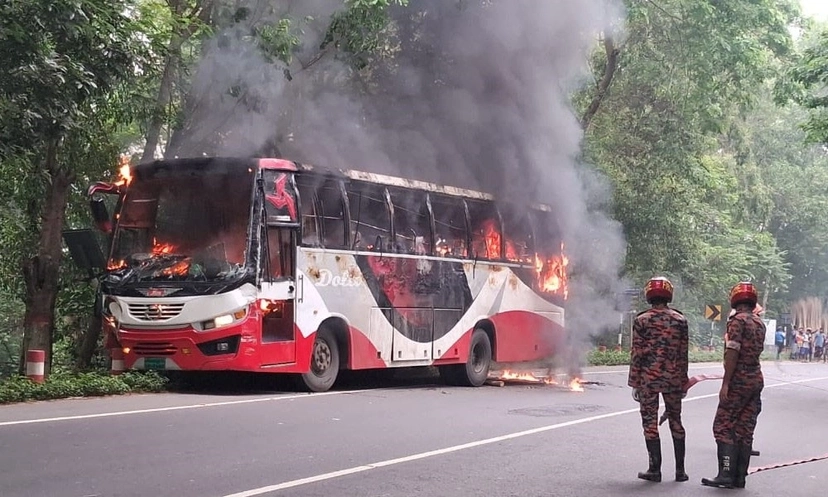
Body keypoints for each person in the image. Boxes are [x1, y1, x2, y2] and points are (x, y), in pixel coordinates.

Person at [701, 282, 765, 489]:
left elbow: (733, 352)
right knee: (745, 428)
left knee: (723, 425)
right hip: (756, 378)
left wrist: (726, 383)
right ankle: (740, 477)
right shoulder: (759, 323)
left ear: (735, 299)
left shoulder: (737, 321)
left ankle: (725, 473)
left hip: (739, 379)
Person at [628, 276, 690, 483]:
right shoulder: (680, 320)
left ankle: (655, 470)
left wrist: (634, 382)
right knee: (676, 421)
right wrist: (684, 380)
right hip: (673, 379)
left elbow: (636, 353)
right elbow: (683, 354)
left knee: (650, 423)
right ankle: (680, 471)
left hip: (648, 379)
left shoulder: (641, 320)